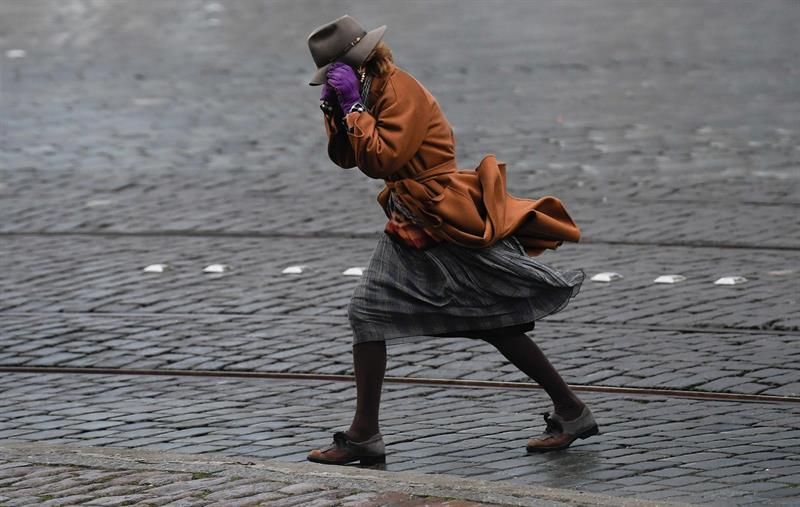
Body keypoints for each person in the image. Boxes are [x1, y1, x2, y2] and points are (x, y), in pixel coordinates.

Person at [305, 15, 598, 466]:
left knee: (491, 319)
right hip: (411, 215)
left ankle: (571, 410)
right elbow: (349, 159)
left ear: (360, 64)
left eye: (336, 75)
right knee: (372, 315)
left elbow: (384, 159)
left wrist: (354, 112)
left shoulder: (400, 89)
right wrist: (337, 112)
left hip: (441, 213)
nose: (336, 82)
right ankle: (365, 434)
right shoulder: (363, 92)